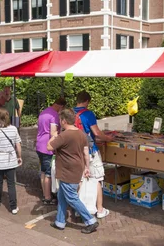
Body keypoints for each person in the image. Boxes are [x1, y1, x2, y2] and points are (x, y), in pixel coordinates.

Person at [48, 108, 99, 234]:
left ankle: (90, 220)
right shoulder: (81, 134)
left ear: (64, 121)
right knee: (62, 196)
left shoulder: (64, 135)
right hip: (77, 168)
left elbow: (49, 146)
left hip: (67, 170)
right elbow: (85, 152)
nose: (59, 122)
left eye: (60, 120)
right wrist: (86, 167)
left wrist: (53, 136)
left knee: (71, 197)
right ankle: (60, 221)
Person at [74, 91, 114, 219]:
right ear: (87, 101)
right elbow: (96, 133)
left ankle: (78, 209)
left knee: (80, 180)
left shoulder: (70, 113)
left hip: (75, 151)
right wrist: (108, 138)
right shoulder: (88, 114)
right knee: (97, 179)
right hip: (90, 151)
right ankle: (100, 209)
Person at [0, 108, 22, 215]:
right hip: (11, 160)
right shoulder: (14, 129)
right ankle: (14, 207)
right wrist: (19, 156)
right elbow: (18, 145)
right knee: (11, 184)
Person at [36, 97, 65, 205]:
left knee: (43, 171)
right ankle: (48, 197)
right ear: (60, 106)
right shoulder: (54, 115)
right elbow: (53, 132)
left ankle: (45, 194)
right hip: (47, 147)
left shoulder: (44, 112)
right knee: (48, 173)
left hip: (39, 144)